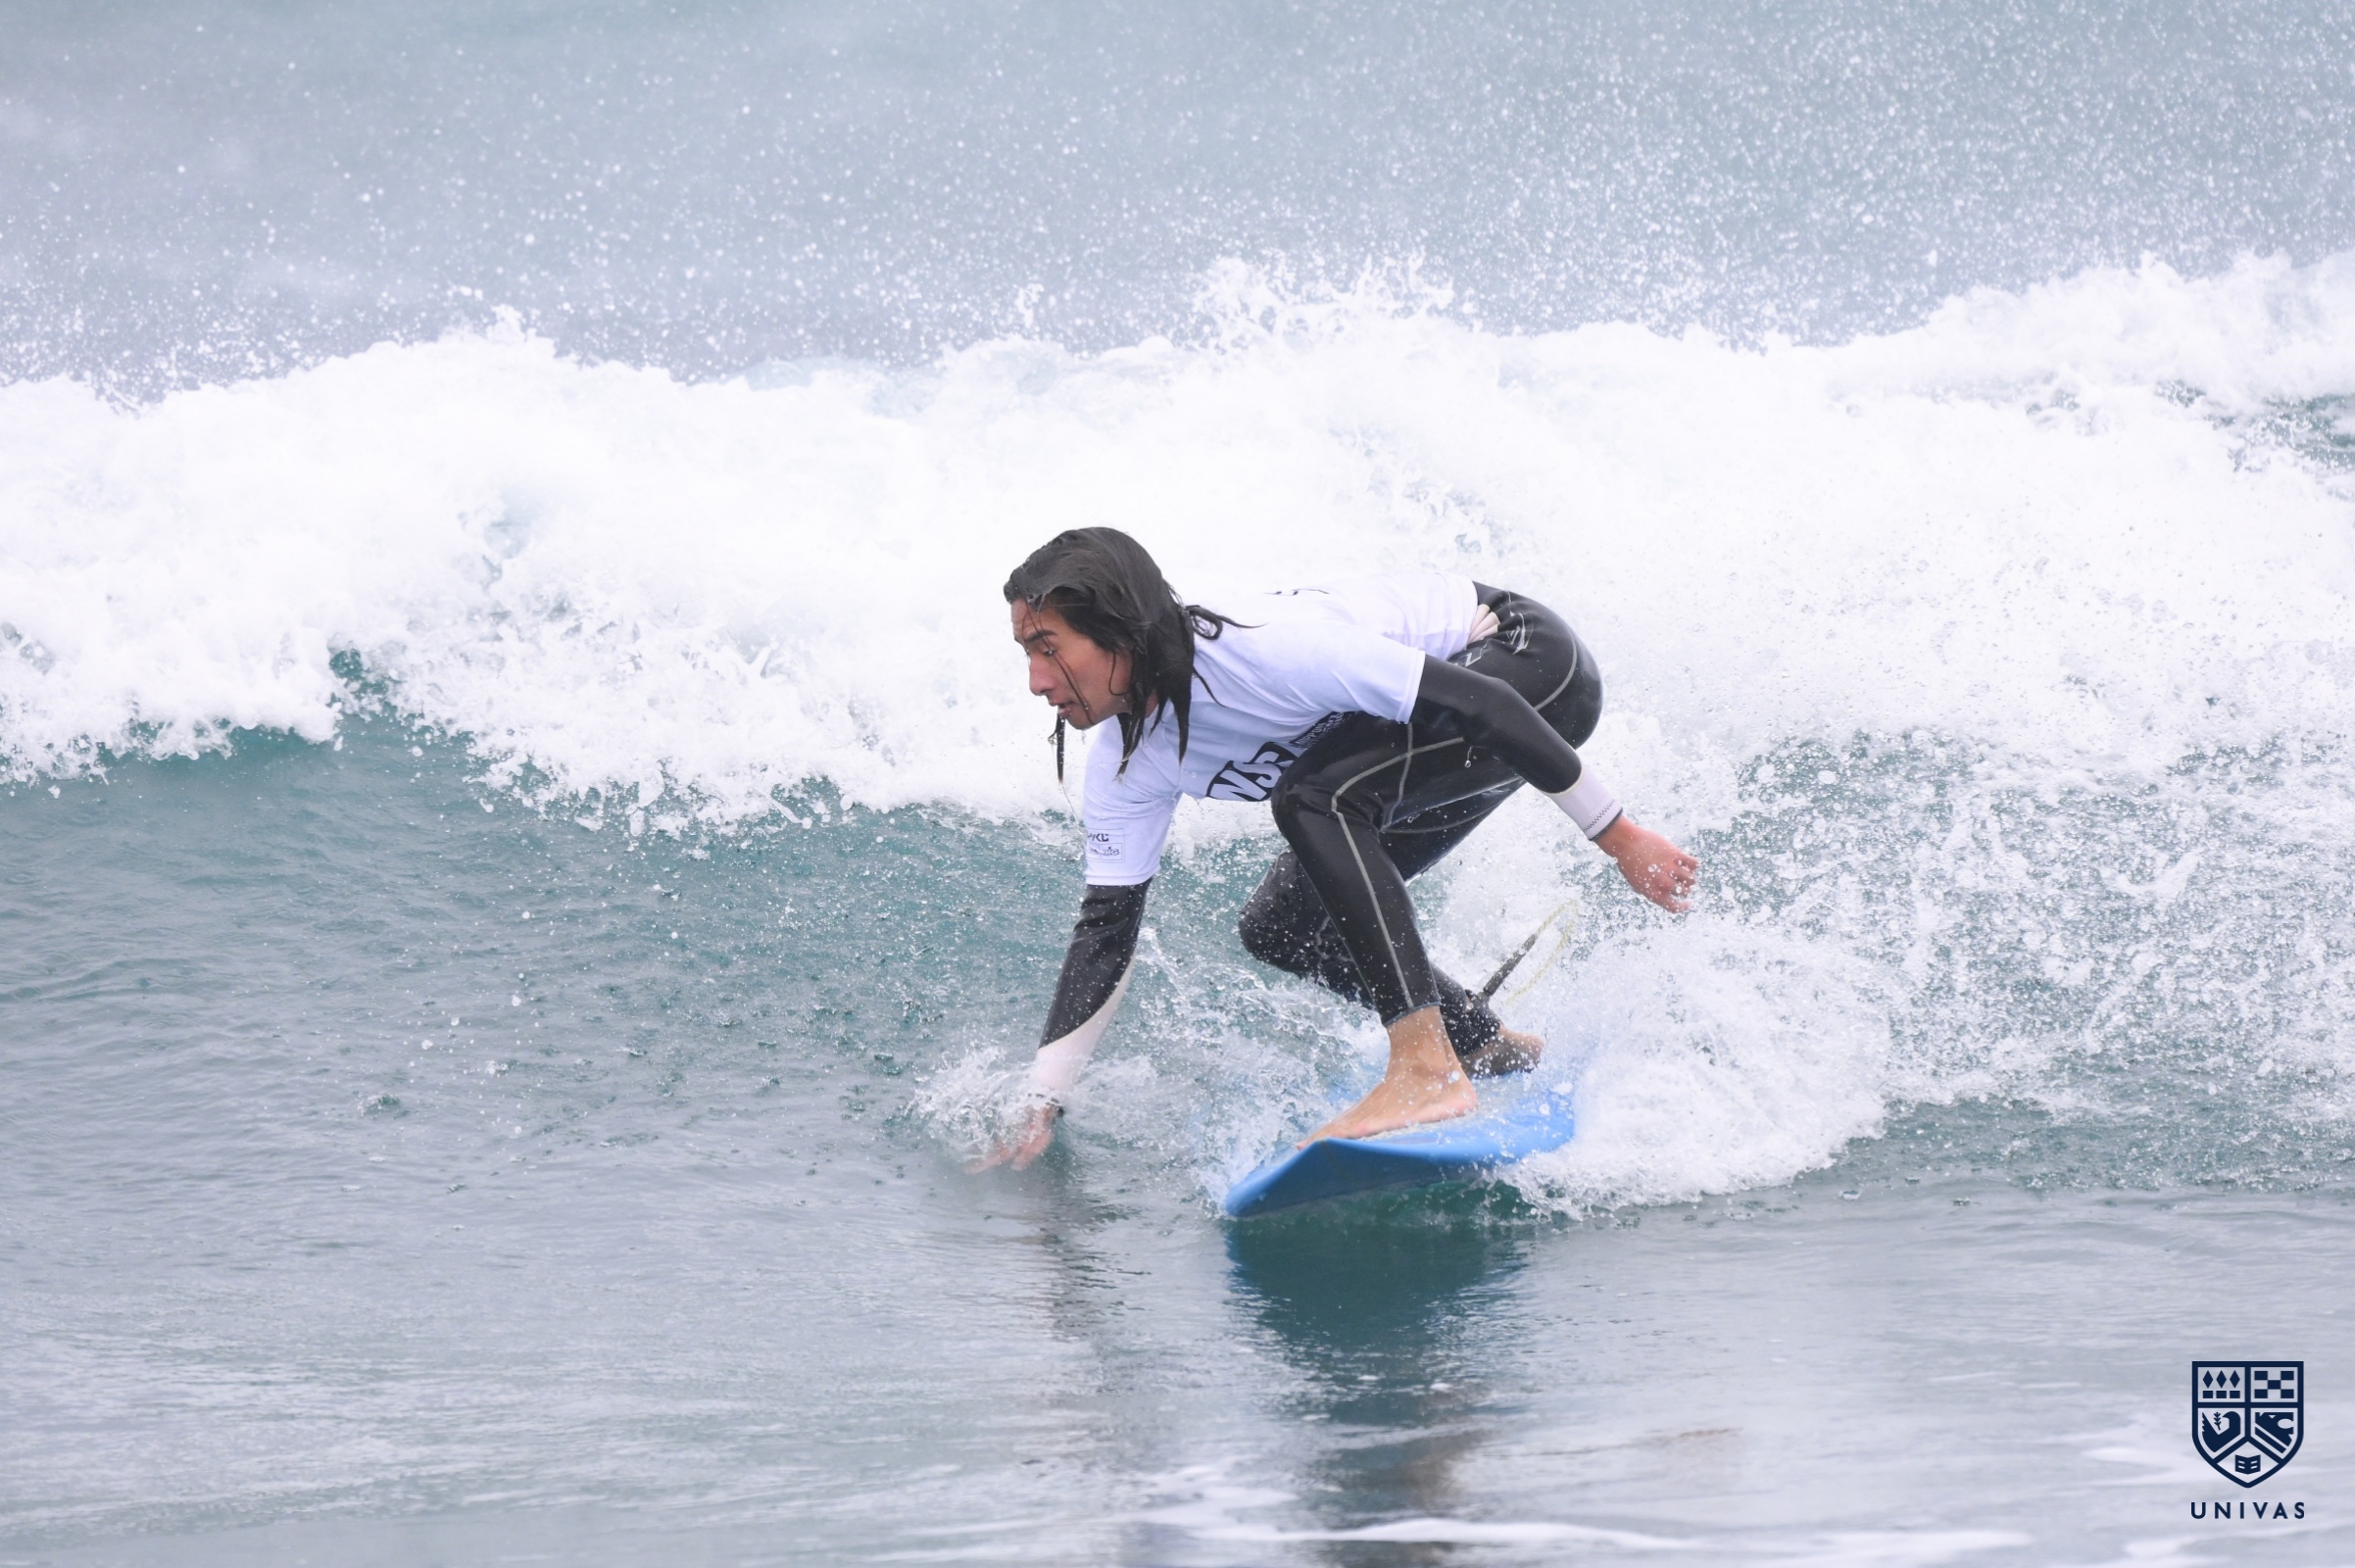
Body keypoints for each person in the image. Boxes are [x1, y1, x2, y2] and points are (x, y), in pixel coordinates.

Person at [975, 527, 1698, 1171]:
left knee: (1313, 799)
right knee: (1281, 925)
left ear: (1119, 632)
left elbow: (1487, 705)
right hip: (1451, 737)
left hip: (1529, 673)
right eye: (1026, 653)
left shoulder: (1269, 650)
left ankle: (1425, 1066)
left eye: (1049, 648)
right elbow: (1106, 930)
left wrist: (1618, 836)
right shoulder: (1127, 761)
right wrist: (1043, 1099)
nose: (1036, 681)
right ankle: (1482, 1045)